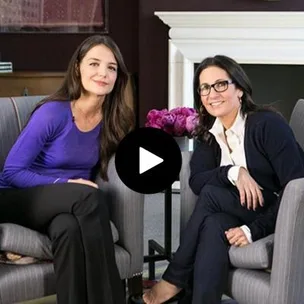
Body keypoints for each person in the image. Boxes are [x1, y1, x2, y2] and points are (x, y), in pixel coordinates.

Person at [143, 55, 304, 304]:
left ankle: (174, 279)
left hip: (278, 212)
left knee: (212, 196)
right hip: (240, 208)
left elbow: (297, 190)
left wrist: (253, 230)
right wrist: (233, 171)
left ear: (239, 89)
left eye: (220, 84)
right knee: (214, 224)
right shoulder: (210, 132)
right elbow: (196, 180)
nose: (212, 94)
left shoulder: (267, 124)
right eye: (205, 88)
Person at [0, 35, 134, 304]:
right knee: (89, 196)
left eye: (111, 68)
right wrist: (66, 183)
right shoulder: (54, 113)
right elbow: (11, 172)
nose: (103, 73)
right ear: (78, 68)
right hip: (17, 197)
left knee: (68, 229)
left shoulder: (114, 121)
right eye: (94, 64)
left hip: (68, 207)